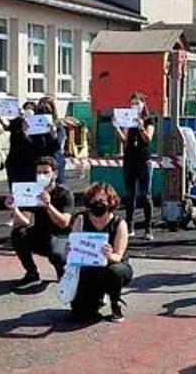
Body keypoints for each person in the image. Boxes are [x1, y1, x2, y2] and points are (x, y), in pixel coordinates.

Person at [69, 183, 133, 323]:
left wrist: (109, 255)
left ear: (111, 202)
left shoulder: (119, 223)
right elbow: (71, 249)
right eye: (94, 201)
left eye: (102, 201)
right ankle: (93, 299)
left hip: (113, 266)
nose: (98, 204)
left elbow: (118, 256)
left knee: (115, 271)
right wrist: (70, 249)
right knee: (80, 315)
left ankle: (116, 302)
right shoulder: (80, 219)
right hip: (88, 268)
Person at [6, 157, 74, 290]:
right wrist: (13, 207)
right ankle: (32, 273)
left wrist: (48, 205)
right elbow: (24, 221)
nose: (41, 176)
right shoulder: (32, 191)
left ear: (54, 174)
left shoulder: (65, 194)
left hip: (61, 238)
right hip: (41, 235)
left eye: (45, 172)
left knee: (57, 251)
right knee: (18, 234)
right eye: (38, 172)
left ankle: (62, 269)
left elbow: (64, 223)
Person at [114, 92, 156, 240]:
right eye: (132, 103)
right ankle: (130, 227)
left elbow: (148, 139)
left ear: (143, 105)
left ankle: (148, 228)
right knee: (130, 194)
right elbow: (124, 140)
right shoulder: (128, 120)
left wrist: (141, 127)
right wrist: (117, 128)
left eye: (137, 103)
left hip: (144, 160)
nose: (135, 106)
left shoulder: (148, 120)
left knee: (145, 195)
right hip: (129, 159)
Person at [0, 101, 38, 188]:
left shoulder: (37, 125)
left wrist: (26, 132)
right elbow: (6, 125)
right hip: (14, 160)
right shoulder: (18, 121)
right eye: (26, 108)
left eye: (31, 109)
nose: (28, 111)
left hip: (29, 163)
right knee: (14, 187)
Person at [37, 97, 67, 184]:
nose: (43, 111)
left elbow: (59, 145)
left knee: (56, 187)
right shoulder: (33, 125)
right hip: (38, 161)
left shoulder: (57, 125)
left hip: (54, 161)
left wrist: (54, 134)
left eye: (46, 109)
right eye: (40, 108)